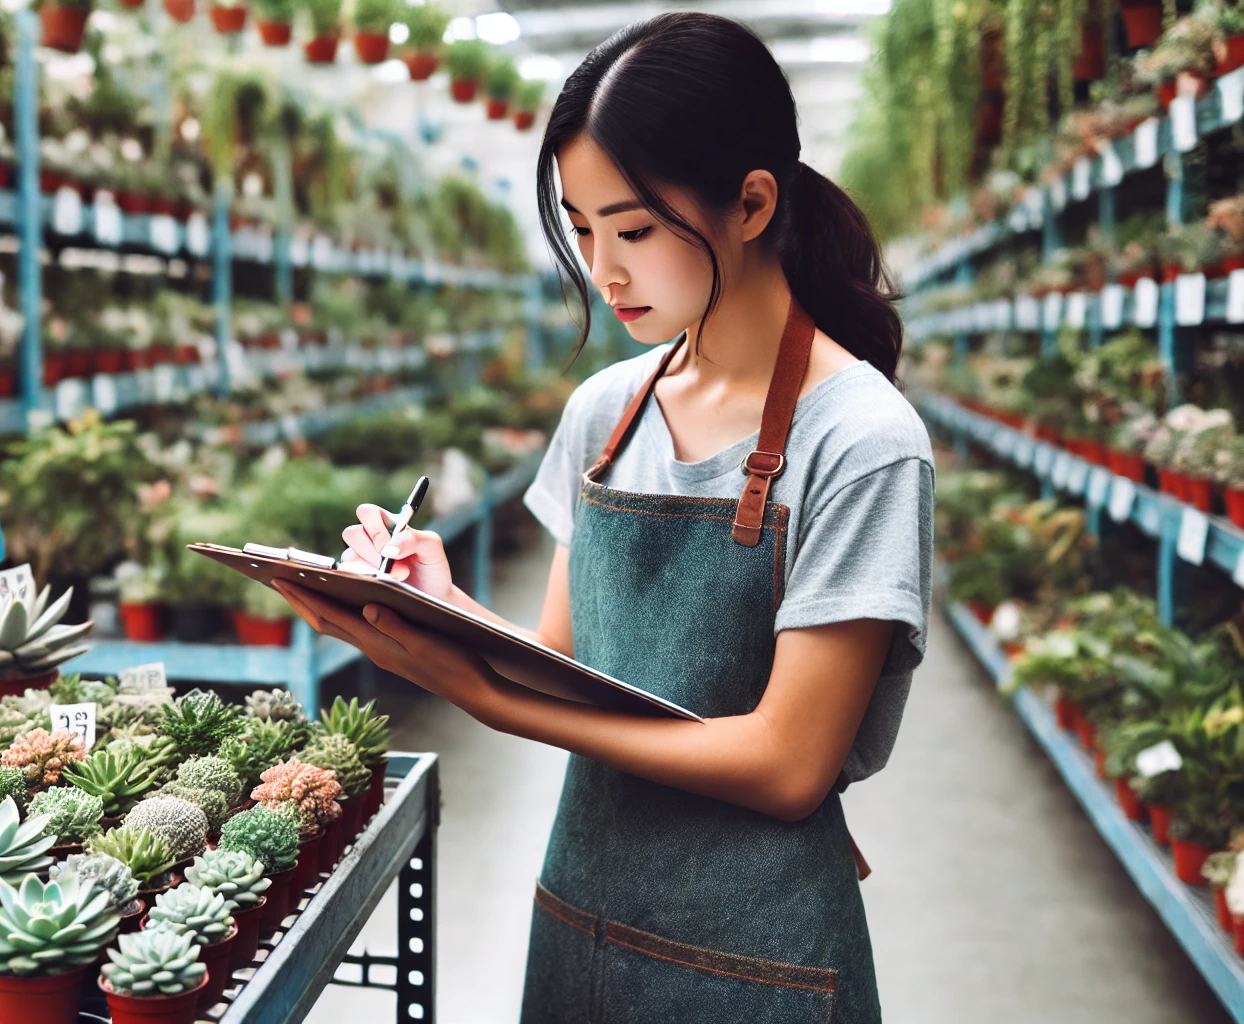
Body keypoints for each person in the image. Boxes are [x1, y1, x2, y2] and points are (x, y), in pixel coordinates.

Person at [269, 12, 930, 1023]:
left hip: (760, 958)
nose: (602, 269)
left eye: (631, 230)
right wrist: (441, 610)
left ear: (751, 203)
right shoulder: (605, 414)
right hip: (583, 909)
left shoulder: (861, 439)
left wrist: (488, 702)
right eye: (580, 229)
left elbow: (787, 765)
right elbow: (574, 665)